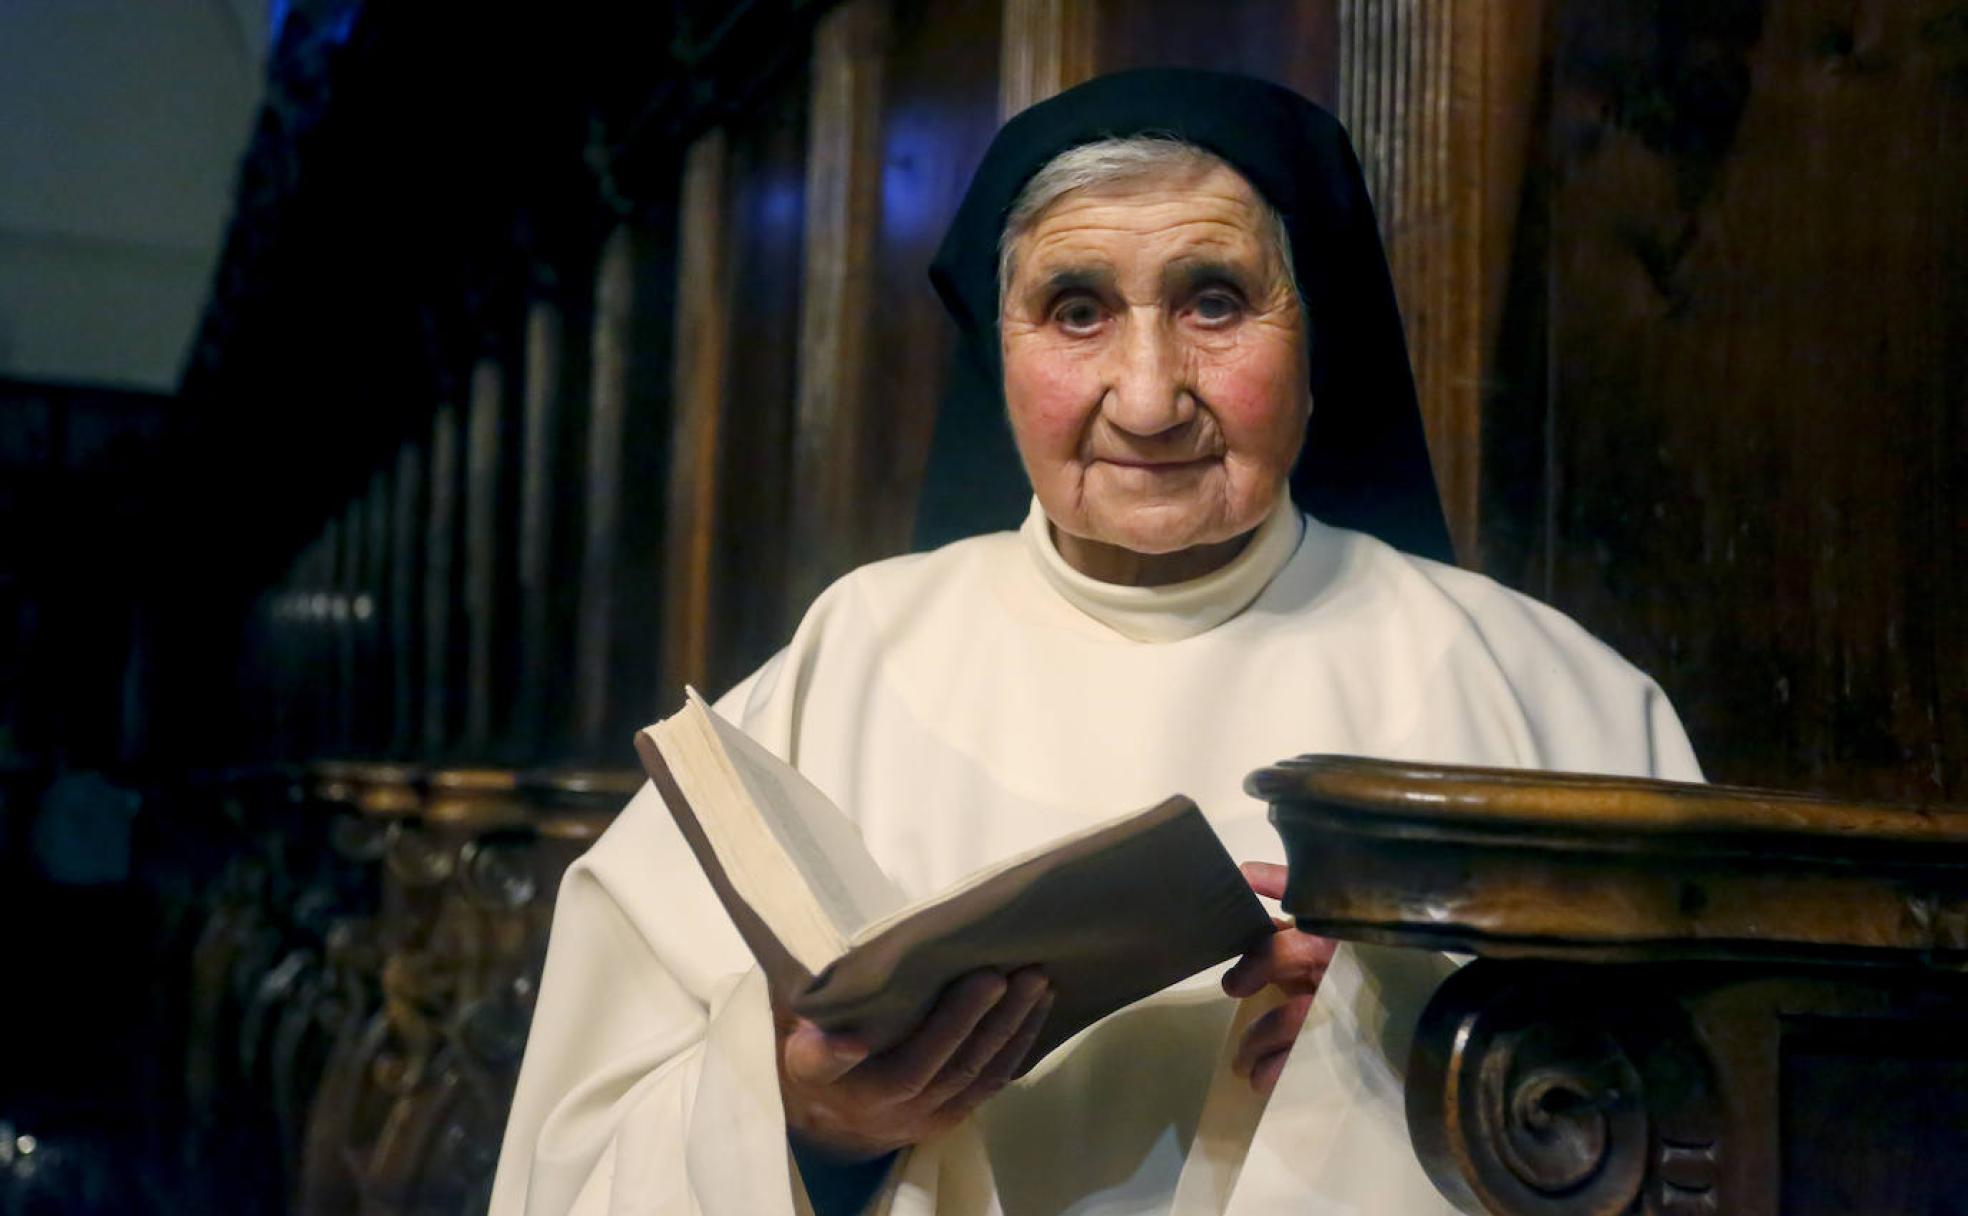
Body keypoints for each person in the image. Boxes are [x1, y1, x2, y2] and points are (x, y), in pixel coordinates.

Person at [490, 69, 1702, 1216]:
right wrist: (805, 1118)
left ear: (1314, 334)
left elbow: (1721, 1125)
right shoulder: (847, 660)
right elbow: (580, 1152)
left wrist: (1414, 1057)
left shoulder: (1546, 698)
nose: (1148, 395)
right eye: (1076, 311)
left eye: (1214, 301)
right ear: (1000, 350)